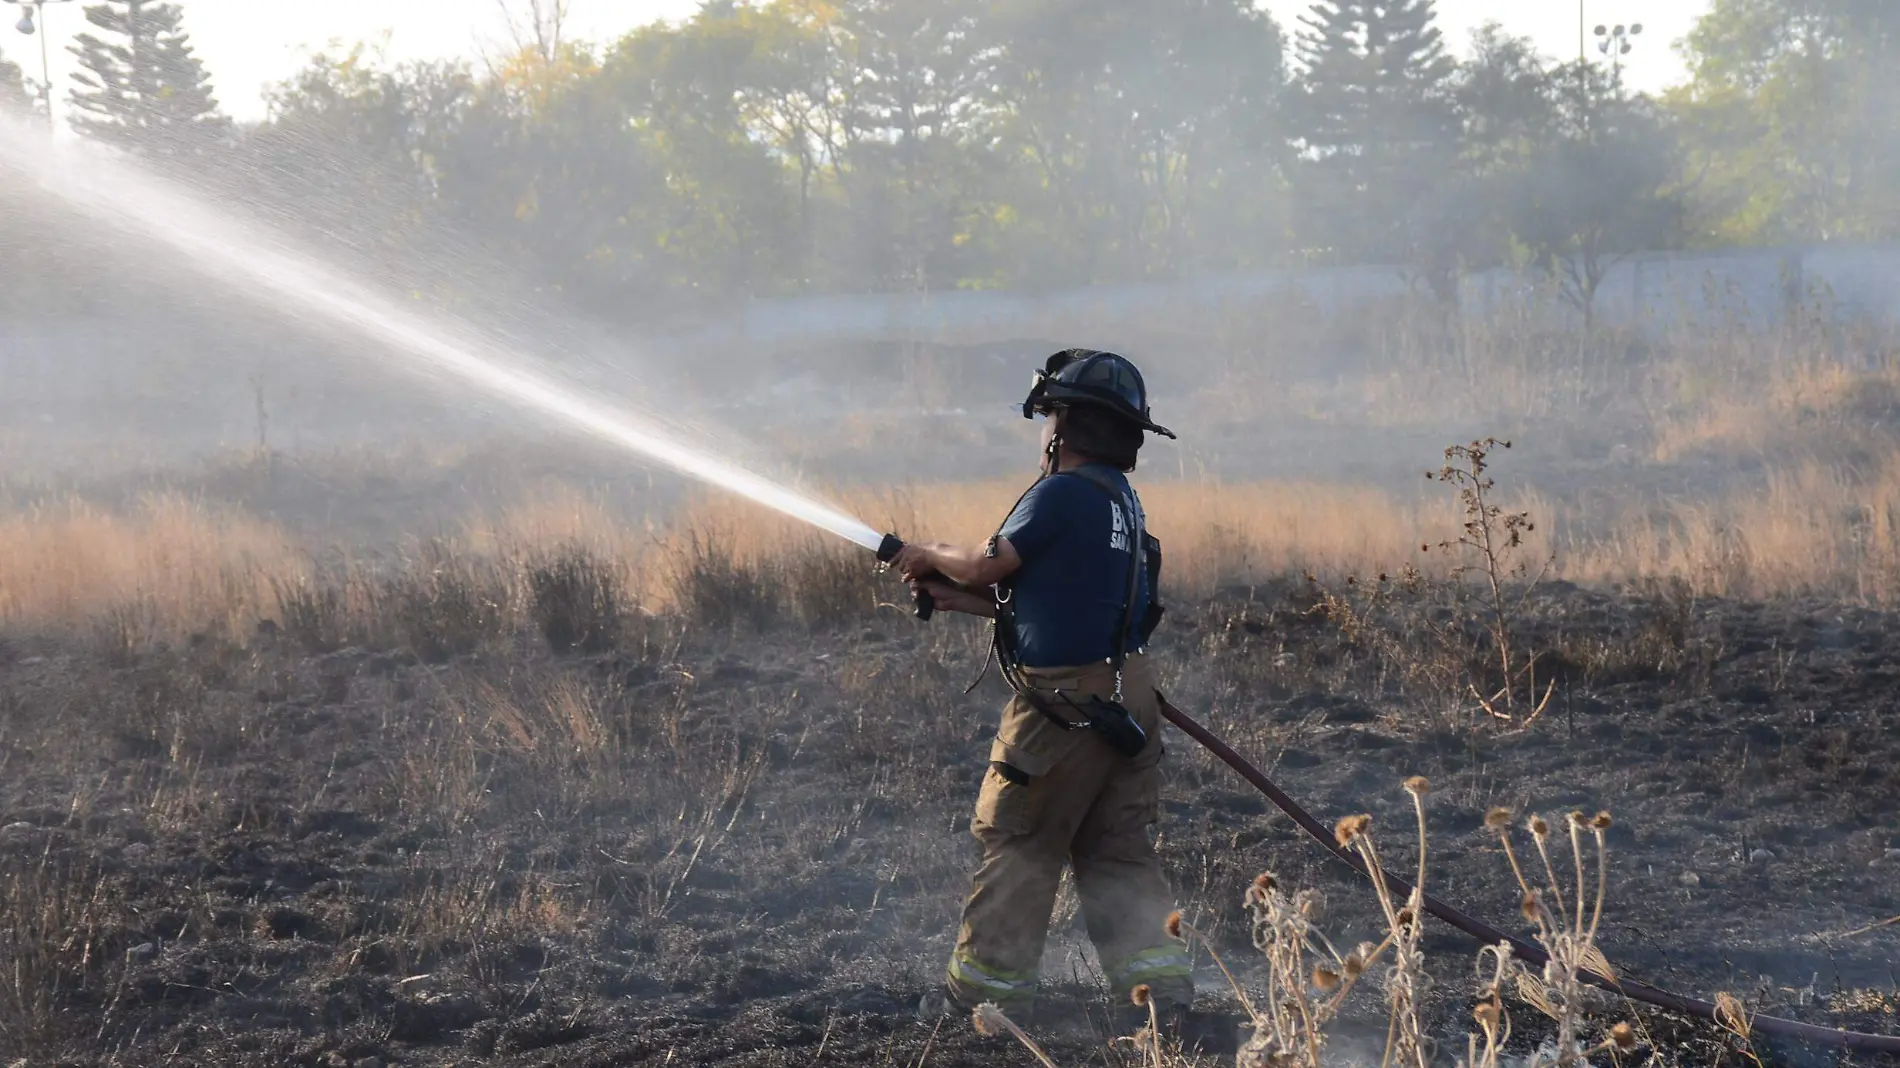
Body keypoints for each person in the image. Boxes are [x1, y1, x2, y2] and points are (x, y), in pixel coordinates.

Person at [890, 350, 1234, 1053]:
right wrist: (966, 603)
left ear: (1065, 424)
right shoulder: (1121, 506)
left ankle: (983, 1006)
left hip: (1065, 706)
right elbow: (1067, 602)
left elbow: (992, 564)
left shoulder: (1060, 494)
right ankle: (1162, 1003)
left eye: (1050, 415)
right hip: (1127, 694)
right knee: (1117, 851)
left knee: (1020, 841)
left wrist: (926, 550)